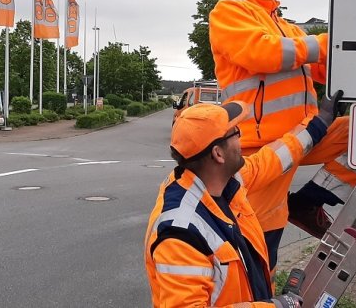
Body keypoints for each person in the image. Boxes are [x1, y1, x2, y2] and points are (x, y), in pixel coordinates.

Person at [208, 0, 356, 272]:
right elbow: (262, 53)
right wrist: (326, 43)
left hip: (306, 135)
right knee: (259, 254)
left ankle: (310, 201)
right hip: (261, 150)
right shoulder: (229, 12)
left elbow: (322, 66)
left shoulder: (288, 28)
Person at [144, 93, 342, 307]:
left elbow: (273, 159)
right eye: (236, 133)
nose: (241, 140)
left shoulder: (224, 181)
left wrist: (319, 123)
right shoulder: (180, 235)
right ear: (218, 154)